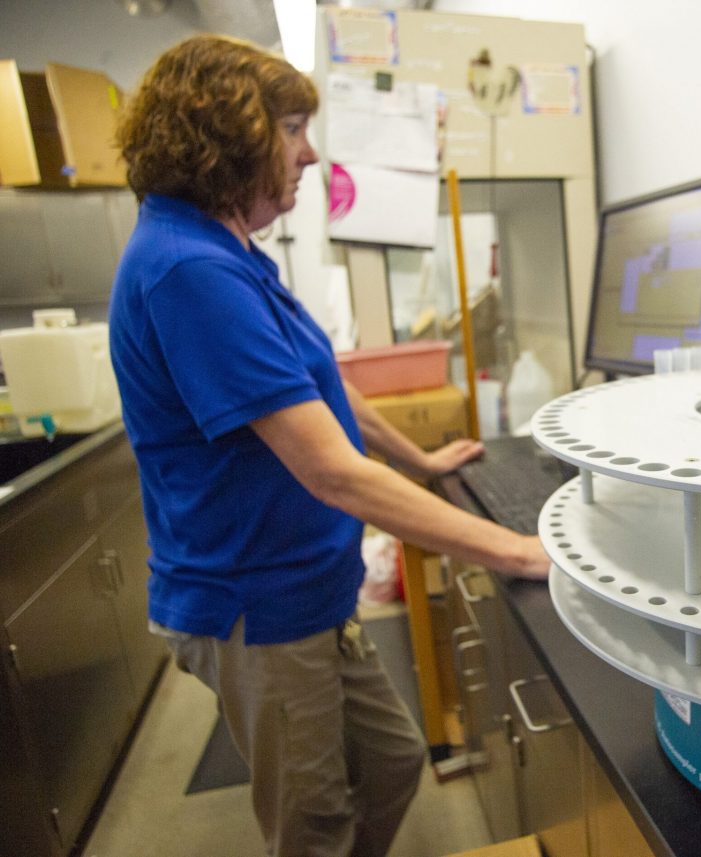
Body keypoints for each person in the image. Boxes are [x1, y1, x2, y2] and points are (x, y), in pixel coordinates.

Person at [108, 34, 549, 857]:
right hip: (256, 603)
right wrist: (518, 551)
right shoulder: (187, 270)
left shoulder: (227, 248)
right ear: (229, 136)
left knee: (387, 764)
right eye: (291, 128)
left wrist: (418, 460)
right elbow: (329, 471)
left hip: (308, 588)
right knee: (315, 830)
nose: (309, 153)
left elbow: (317, 385)